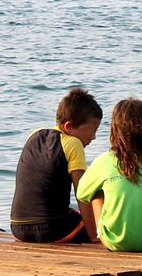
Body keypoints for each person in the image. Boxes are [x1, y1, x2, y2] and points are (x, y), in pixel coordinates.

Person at [76, 97, 142, 252]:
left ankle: (101, 234)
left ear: (116, 129)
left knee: (96, 192)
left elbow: (82, 193)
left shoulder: (105, 160)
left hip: (118, 242)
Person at [10, 87, 103, 244]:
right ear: (69, 126)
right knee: (98, 202)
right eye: (92, 130)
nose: (93, 137)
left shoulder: (34, 135)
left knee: (71, 212)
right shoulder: (73, 143)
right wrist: (93, 235)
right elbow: (83, 194)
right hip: (53, 230)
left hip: (18, 228)